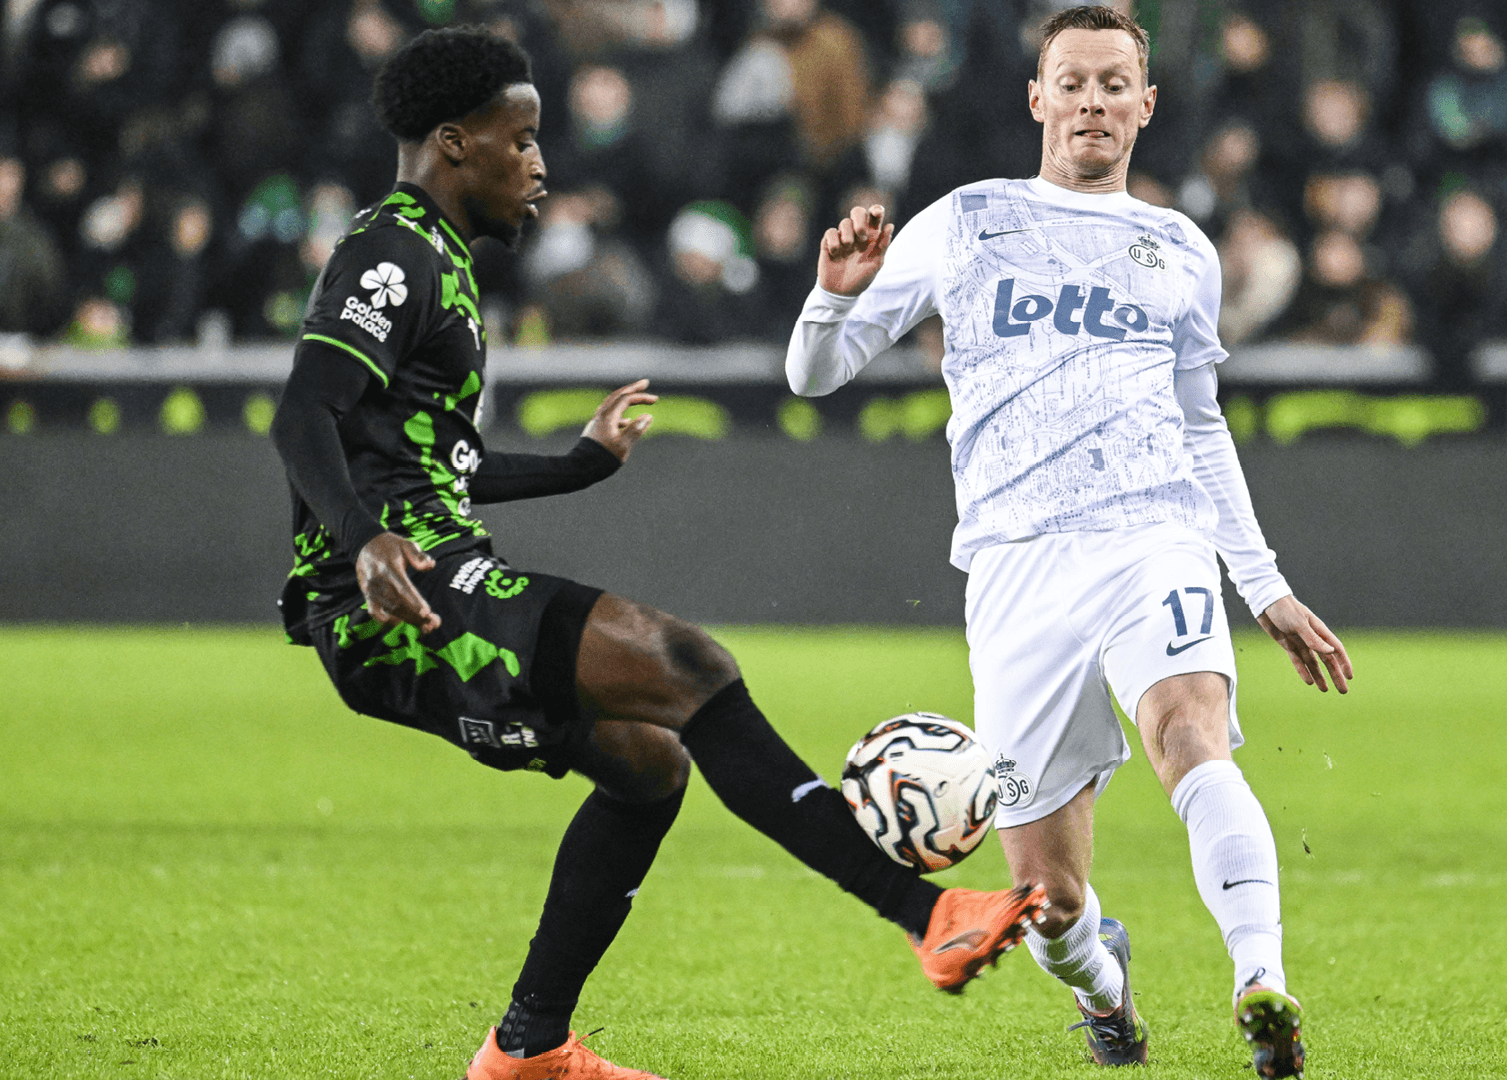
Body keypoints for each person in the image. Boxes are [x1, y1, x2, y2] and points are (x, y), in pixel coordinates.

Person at [268, 27, 1046, 1080]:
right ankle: (929, 915)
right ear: (454, 143)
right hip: (392, 600)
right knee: (688, 665)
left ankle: (529, 1047)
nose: (540, 164)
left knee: (647, 764)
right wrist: (362, 543)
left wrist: (577, 466)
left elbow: (426, 463)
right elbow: (305, 412)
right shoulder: (391, 250)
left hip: (422, 575)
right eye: (521, 140)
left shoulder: (439, 259)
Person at [784, 7, 1353, 1077]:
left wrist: (1263, 583)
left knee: (1193, 735)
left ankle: (1261, 983)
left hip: (1152, 536)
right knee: (1048, 900)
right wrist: (830, 297)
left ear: (1146, 104)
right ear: (1038, 98)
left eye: (1114, 83)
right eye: (1074, 83)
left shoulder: (1180, 248)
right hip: (1016, 562)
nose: (1093, 101)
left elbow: (1200, 426)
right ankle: (1105, 987)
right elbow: (814, 376)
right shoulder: (967, 219)